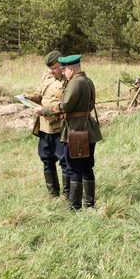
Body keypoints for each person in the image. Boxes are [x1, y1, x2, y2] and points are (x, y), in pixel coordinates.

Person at [34, 54, 102, 210]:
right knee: (86, 167)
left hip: (76, 130)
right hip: (87, 128)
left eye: (64, 69)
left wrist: (44, 110)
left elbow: (64, 106)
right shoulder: (88, 81)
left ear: (71, 68)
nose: (63, 72)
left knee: (74, 167)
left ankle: (75, 205)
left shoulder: (75, 83)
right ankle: (89, 204)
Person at [24, 51, 69, 198]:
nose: (51, 71)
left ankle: (68, 194)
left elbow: (67, 104)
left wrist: (46, 110)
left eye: (54, 68)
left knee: (65, 161)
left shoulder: (68, 80)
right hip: (44, 127)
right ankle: (53, 193)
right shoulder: (46, 77)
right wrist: (31, 97)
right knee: (46, 159)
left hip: (59, 127)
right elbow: (40, 95)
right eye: (49, 68)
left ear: (62, 66)